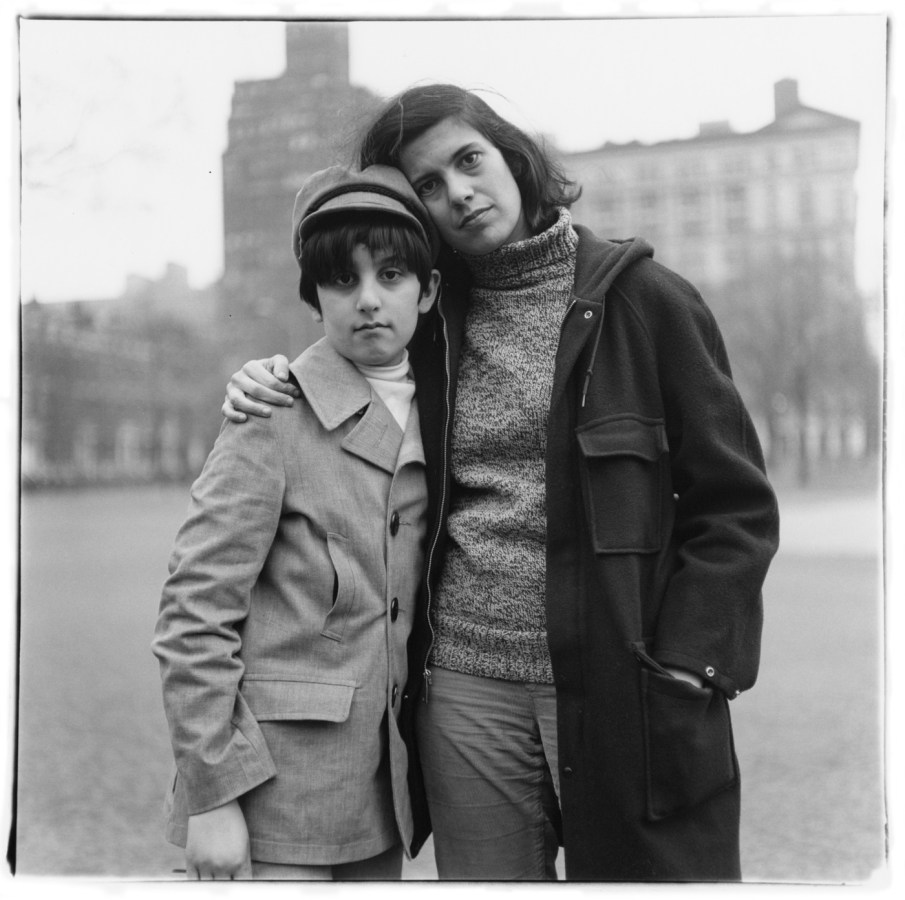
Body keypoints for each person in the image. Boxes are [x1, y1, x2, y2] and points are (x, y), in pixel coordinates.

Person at [221, 84, 780, 883]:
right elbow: (342, 348)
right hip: (465, 698)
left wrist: (690, 665)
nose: (459, 193)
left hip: (624, 692)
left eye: (468, 160)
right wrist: (264, 374)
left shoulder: (646, 302)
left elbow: (735, 508)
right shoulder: (429, 325)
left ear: (510, 155)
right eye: (428, 185)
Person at [152, 163, 441, 881]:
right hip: (273, 799)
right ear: (314, 299)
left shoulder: (444, 413)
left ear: (429, 290)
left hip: (381, 798)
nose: (368, 300)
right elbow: (193, 613)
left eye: (393, 275)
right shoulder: (272, 414)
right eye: (342, 281)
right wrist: (213, 797)